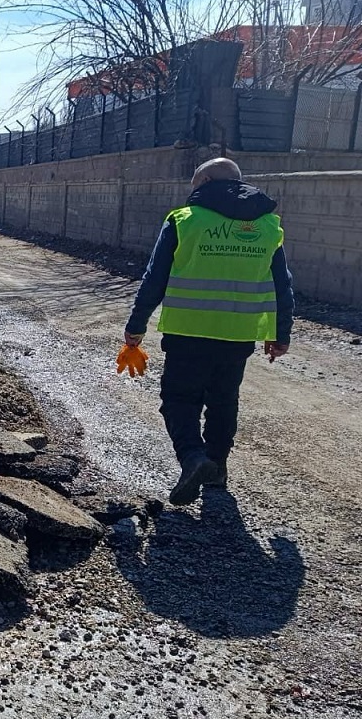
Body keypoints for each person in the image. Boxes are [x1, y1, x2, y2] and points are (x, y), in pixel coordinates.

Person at [124, 157, 294, 506]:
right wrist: (281, 334)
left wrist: (136, 325)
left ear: (203, 180)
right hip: (238, 334)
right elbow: (282, 285)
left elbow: (155, 278)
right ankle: (216, 468)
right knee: (223, 400)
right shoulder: (267, 226)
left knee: (179, 399)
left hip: (189, 332)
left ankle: (193, 459)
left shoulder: (185, 220)